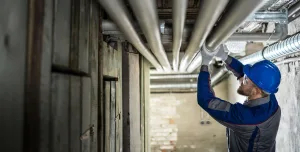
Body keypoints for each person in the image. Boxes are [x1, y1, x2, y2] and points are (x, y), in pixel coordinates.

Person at [197, 45, 281, 152]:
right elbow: (243, 73)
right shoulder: (269, 98)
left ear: (256, 91)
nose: (242, 79)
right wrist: (224, 56)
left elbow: (205, 100)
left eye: (245, 80)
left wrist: (204, 63)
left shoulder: (246, 118)